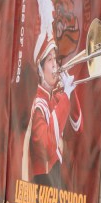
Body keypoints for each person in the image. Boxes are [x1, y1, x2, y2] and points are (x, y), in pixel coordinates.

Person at [28, 33, 82, 189]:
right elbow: (47, 146)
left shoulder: (57, 97)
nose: (55, 66)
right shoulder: (39, 105)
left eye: (55, 59)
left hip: (56, 177)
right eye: (49, 60)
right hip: (43, 182)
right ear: (40, 69)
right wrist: (66, 96)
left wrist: (70, 91)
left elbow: (77, 127)